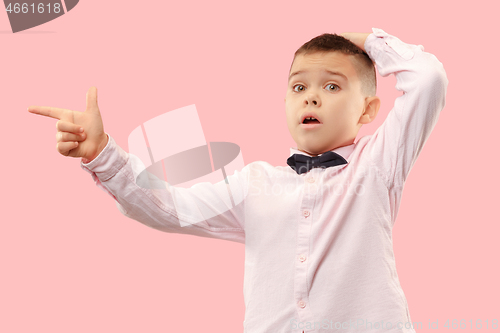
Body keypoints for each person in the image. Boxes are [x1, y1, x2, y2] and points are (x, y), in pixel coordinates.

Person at [28, 28, 448, 333]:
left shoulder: (378, 164)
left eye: (333, 86)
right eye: (299, 86)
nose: (312, 97)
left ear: (368, 110)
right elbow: (170, 208)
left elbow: (428, 79)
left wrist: (369, 42)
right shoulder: (256, 184)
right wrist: (103, 152)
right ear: (285, 103)